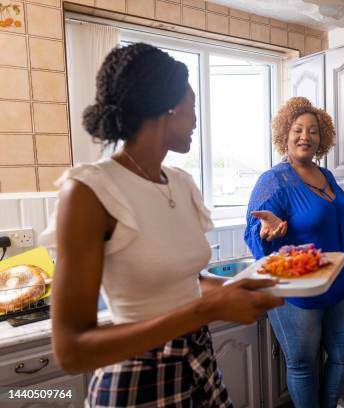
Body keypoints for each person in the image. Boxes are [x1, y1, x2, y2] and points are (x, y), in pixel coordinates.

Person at [39, 43, 283, 408]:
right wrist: (209, 309)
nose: (197, 121)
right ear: (166, 109)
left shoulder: (181, 184)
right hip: (135, 383)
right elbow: (72, 352)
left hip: (198, 368)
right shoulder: (90, 190)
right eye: (193, 109)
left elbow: (180, 281)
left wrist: (238, 287)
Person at [244, 97, 344, 408]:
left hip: (337, 282)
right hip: (296, 290)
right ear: (284, 135)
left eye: (313, 131)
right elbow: (252, 234)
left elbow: (336, 223)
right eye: (298, 129)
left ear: (322, 138)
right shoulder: (274, 181)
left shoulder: (326, 176)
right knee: (302, 363)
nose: (306, 136)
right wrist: (269, 232)